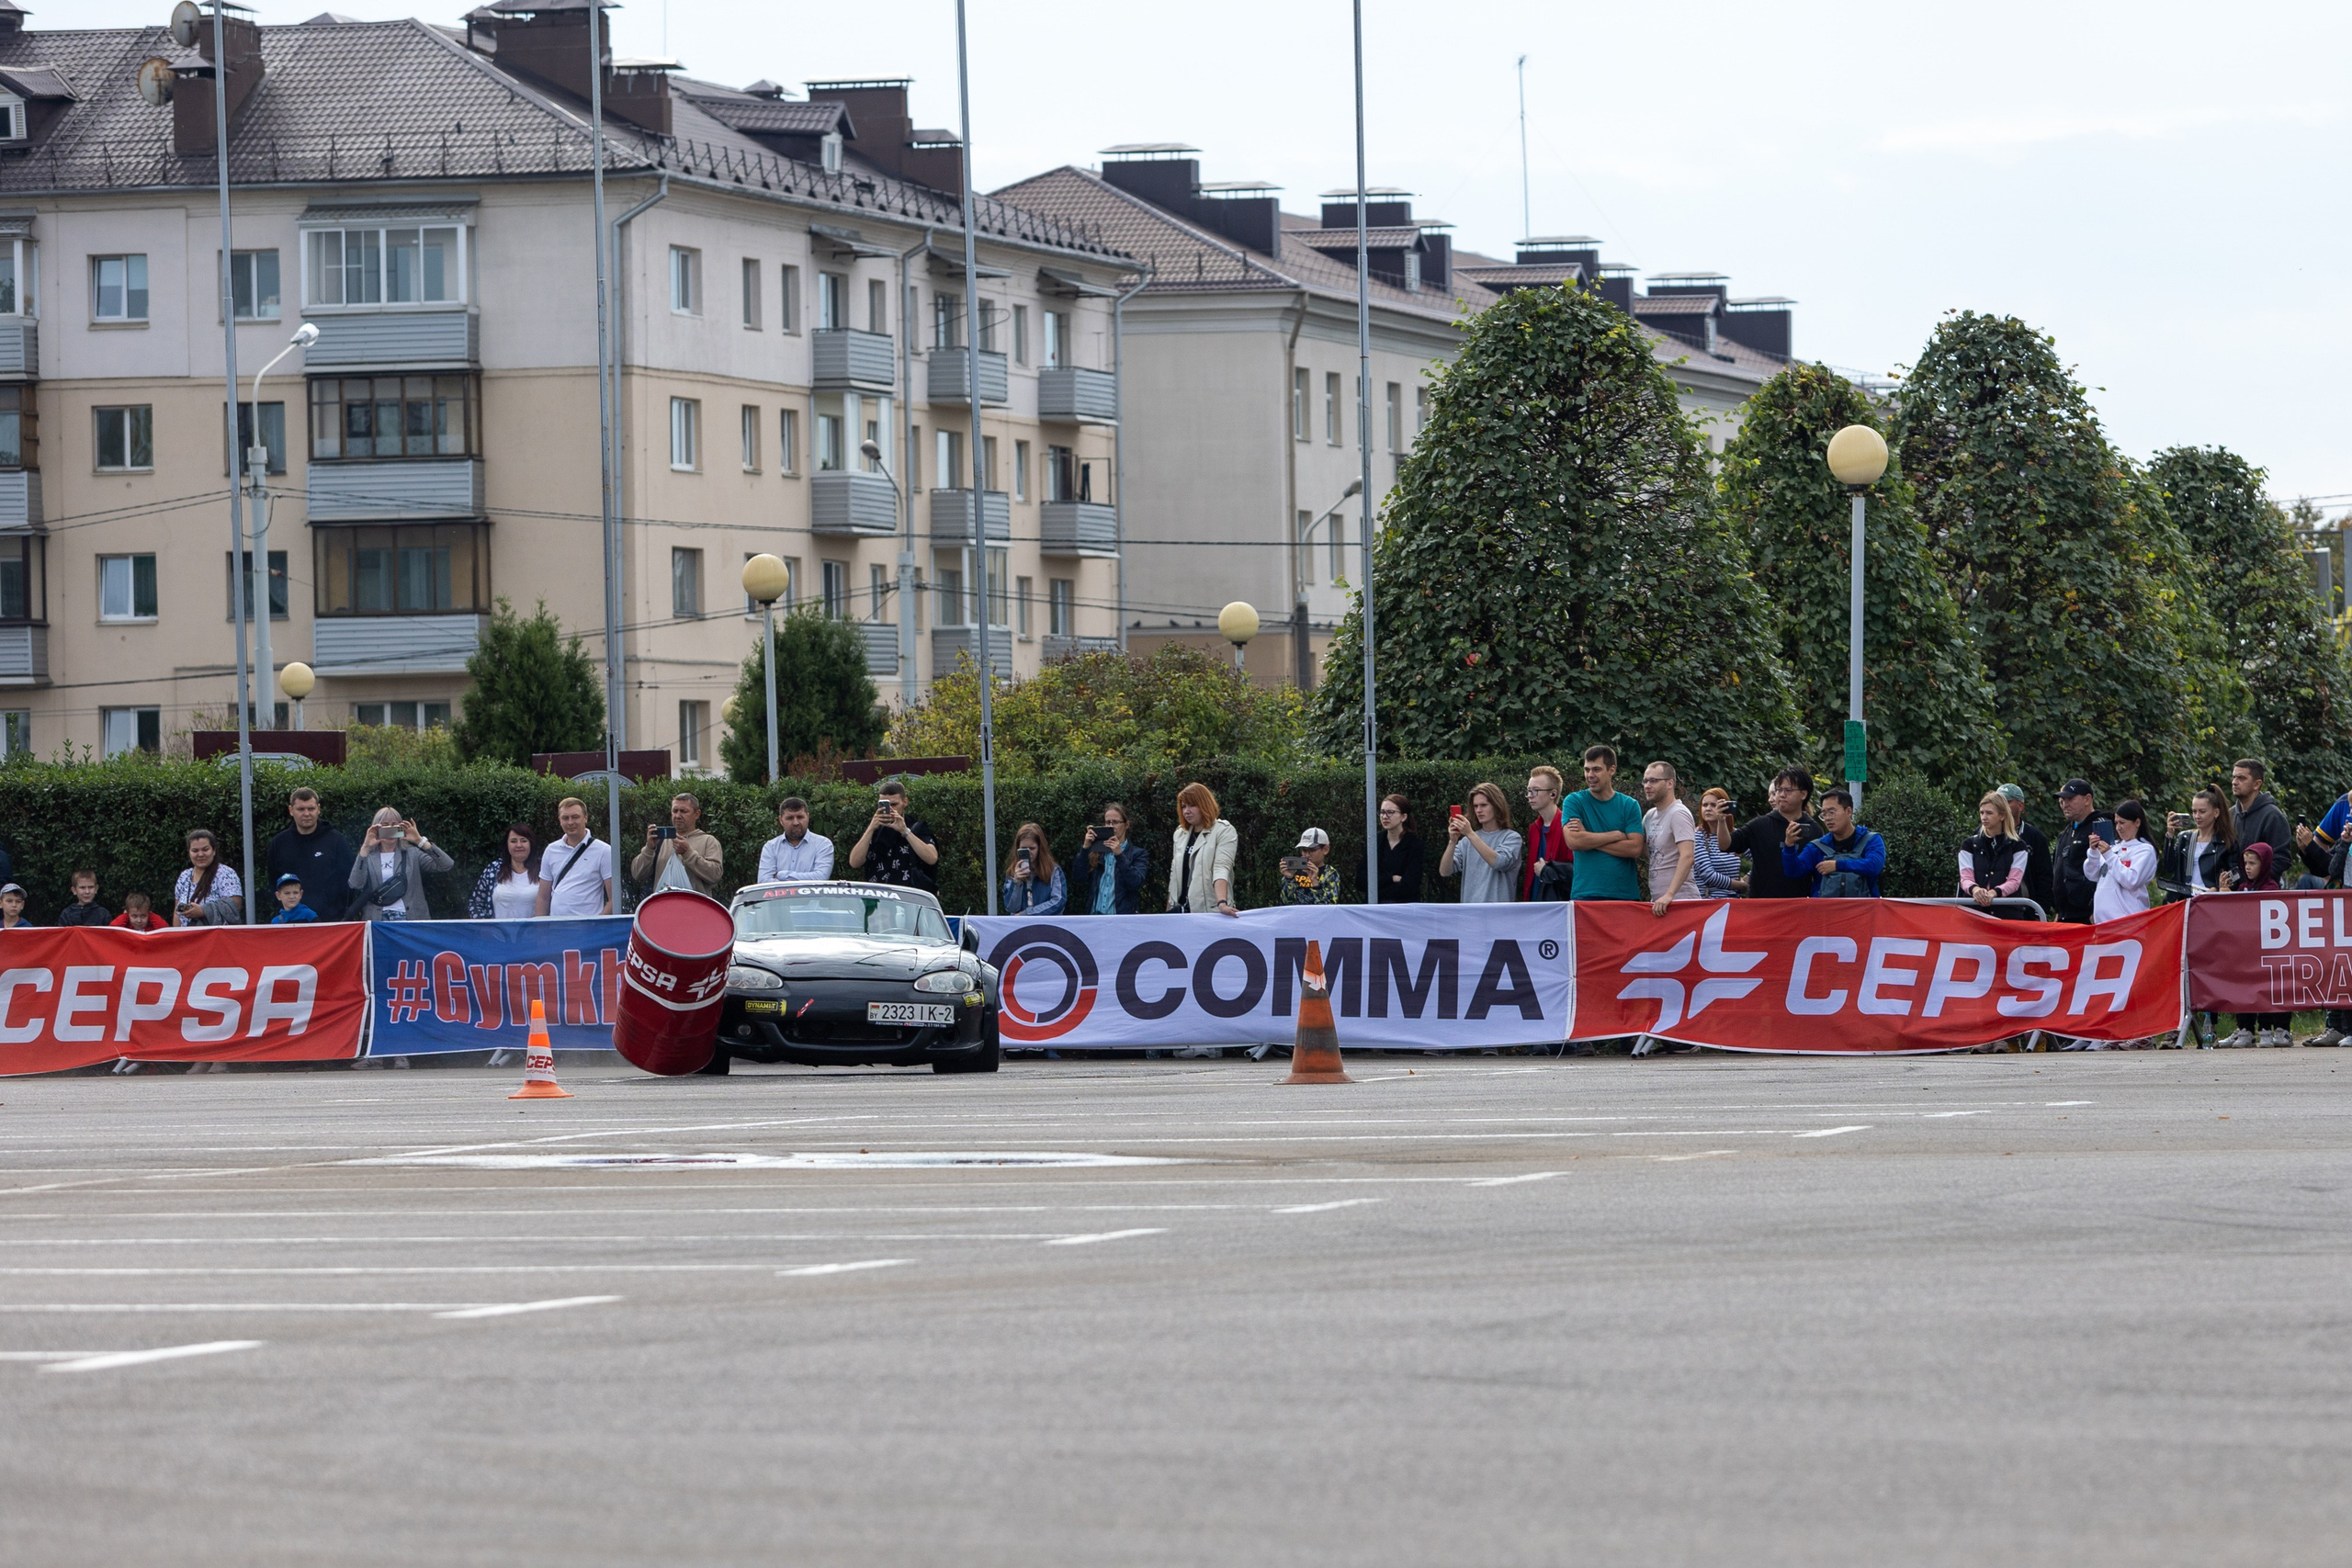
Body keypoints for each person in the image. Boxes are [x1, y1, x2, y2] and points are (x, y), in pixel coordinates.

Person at [2217, 842, 2292, 1047]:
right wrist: (2225, 892)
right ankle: (2245, 1029)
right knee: (2243, 987)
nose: (2247, 867)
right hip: (2245, 951)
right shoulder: (2242, 887)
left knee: (2266, 988)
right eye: (2245, 863)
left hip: (2267, 950)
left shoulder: (2271, 887)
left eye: (2253, 863)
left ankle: (2266, 1029)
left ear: (2265, 863)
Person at [1716, 767, 1824, 900]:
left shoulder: (1814, 830)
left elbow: (1820, 873)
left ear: (1803, 794)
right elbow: (1726, 846)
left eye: (1788, 790)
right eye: (1779, 790)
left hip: (1799, 906)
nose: (1782, 795)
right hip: (1762, 906)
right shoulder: (1760, 825)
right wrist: (1721, 822)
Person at [1562, 745, 1645, 901]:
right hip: (1585, 894)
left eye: (1596, 769)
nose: (1590, 775)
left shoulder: (1629, 805)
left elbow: (1635, 848)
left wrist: (1588, 838)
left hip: (1624, 895)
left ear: (1611, 770)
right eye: (1587, 770)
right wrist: (1616, 835)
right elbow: (1574, 841)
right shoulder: (1574, 801)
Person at [348, 807, 454, 921]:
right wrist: (365, 848)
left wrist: (420, 841)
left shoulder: (412, 853)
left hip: (410, 918)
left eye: (395, 825)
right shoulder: (368, 856)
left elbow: (446, 864)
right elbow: (355, 884)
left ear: (401, 828)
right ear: (376, 829)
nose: (390, 829)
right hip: (378, 921)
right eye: (385, 825)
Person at [266, 786, 356, 922]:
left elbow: (349, 880)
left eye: (311, 808)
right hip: (291, 924)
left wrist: (342, 914)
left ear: (318, 809)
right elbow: (274, 882)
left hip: (331, 922)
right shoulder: (280, 843)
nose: (307, 813)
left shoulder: (336, 840)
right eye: (301, 809)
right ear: (291, 810)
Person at [1782, 787, 1885, 897]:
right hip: (1825, 912)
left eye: (1832, 812)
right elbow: (1793, 872)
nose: (1827, 818)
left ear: (1849, 811)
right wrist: (1789, 846)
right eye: (1824, 814)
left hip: (1863, 911)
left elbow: (1874, 866)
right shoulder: (1817, 847)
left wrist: (1837, 865)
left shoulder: (1871, 840)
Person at [847, 779, 939, 892]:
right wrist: (871, 829)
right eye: (884, 805)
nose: (890, 809)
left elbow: (932, 858)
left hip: (908, 895)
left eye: (894, 804)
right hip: (879, 895)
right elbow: (854, 862)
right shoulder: (874, 828)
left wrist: (905, 831)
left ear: (905, 802)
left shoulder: (917, 827)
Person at [1439, 783, 1522, 904]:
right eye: (1475, 806)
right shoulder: (1466, 841)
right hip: (1471, 914)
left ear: (1496, 806)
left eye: (1484, 805)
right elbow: (1444, 871)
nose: (1478, 810)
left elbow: (1499, 862)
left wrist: (1470, 834)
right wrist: (1452, 841)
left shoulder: (1512, 838)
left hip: (1499, 915)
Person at [1167, 781, 1240, 917]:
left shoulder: (1224, 831)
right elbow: (1174, 874)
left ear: (1205, 805)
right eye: (1183, 806)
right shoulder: (1180, 833)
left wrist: (1222, 903)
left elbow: (1221, 868)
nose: (1186, 811)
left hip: (1210, 912)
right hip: (1180, 912)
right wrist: (1169, 909)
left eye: (1192, 805)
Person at [631, 793, 723, 897]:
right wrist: (649, 849)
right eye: (675, 811)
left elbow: (715, 875)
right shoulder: (661, 842)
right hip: (664, 907)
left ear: (697, 814)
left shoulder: (708, 841)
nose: (678, 816)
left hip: (695, 908)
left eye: (684, 811)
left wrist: (688, 853)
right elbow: (637, 874)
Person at [538, 796, 616, 918]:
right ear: (559, 820)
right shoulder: (551, 850)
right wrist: (540, 929)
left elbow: (614, 898)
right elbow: (543, 897)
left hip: (589, 931)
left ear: (586, 818)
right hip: (556, 928)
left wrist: (596, 925)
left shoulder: (604, 851)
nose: (570, 822)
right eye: (565, 818)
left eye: (575, 817)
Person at [1639, 761, 1699, 917]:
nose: (1647, 785)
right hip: (1659, 903)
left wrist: (1669, 894)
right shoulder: (1650, 816)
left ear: (1670, 783)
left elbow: (1687, 856)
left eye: (1653, 781)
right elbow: (1649, 850)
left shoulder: (1678, 813)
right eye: (1645, 781)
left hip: (1681, 901)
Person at [2051, 780, 2115, 924]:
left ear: (2087, 799)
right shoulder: (2065, 833)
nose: (2065, 804)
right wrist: (2059, 912)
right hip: (2065, 916)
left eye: (2070, 799)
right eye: (2062, 801)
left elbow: (2110, 869)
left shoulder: (2101, 826)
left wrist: (2096, 909)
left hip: (2089, 916)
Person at [2084, 801, 2158, 922]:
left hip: (2128, 921)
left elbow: (2131, 880)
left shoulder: (2145, 850)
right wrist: (2093, 852)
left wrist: (2109, 855)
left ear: (2137, 822)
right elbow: (2092, 875)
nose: (2118, 827)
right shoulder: (2114, 847)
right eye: (2116, 823)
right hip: (2103, 921)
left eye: (2122, 823)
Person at [2159, 786, 2236, 898]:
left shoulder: (2227, 842)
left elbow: (2236, 874)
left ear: (2216, 812)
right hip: (2186, 901)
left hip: (2212, 901)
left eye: (2202, 811)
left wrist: (2217, 888)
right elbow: (2168, 867)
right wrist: (2170, 836)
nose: (2197, 816)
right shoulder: (2185, 838)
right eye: (2194, 811)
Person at [1071, 803, 1149, 914]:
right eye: (1108, 822)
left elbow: (1135, 882)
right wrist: (1085, 848)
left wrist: (1119, 855)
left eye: (1116, 822)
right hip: (1095, 916)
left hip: (1121, 919)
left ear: (1126, 824)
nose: (1111, 826)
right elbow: (1078, 878)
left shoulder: (1138, 854)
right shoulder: (1098, 851)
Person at [1959, 792, 2028, 909]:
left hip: (2006, 912)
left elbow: (2014, 881)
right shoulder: (1969, 844)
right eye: (1981, 813)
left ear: (2002, 816)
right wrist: (1976, 890)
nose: (1984, 817)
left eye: (1989, 813)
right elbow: (1965, 878)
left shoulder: (2018, 846)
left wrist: (1994, 893)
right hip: (1973, 912)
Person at [1994, 784, 2055, 912]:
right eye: (1998, 801)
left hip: (2024, 910)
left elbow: (2045, 878)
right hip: (1989, 909)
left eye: (2007, 801)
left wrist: (2040, 912)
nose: (2001, 806)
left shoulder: (2035, 837)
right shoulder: (1983, 834)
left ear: (2020, 806)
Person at [2229, 759, 2295, 875]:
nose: (2235, 782)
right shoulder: (2230, 815)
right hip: (2231, 891)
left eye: (2241, 778)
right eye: (2234, 777)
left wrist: (2256, 882)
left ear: (2257, 784)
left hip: (2261, 891)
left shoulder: (2273, 817)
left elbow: (2282, 860)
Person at [469, 823, 544, 919]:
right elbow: (475, 904)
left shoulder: (543, 870)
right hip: (498, 934)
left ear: (531, 844)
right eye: (513, 841)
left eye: (524, 841)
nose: (519, 845)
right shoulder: (493, 869)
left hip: (532, 934)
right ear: (507, 844)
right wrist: (485, 929)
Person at [1521, 766, 1573, 902]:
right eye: (1529, 791)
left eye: (1536, 791)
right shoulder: (1534, 828)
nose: (1530, 796)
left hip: (1557, 904)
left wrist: (1547, 871)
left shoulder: (1568, 826)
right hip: (1534, 902)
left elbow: (1576, 871)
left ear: (1553, 794)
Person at [173, 829, 243, 926]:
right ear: (189, 852)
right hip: (187, 938)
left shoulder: (226, 874)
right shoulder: (184, 876)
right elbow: (177, 913)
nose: (200, 854)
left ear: (214, 851)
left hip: (216, 937)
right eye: (195, 850)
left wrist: (203, 911)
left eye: (205, 849)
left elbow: (235, 906)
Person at [757, 796, 835, 884]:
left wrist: (781, 875)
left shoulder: (823, 844)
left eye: (800, 817)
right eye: (790, 818)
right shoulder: (771, 847)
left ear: (808, 817)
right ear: (781, 820)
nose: (796, 823)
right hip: (780, 898)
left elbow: (820, 878)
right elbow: (763, 882)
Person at [1001, 823, 1067, 915]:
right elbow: (1010, 907)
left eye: (1032, 848)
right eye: (1023, 848)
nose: (1029, 853)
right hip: (1020, 926)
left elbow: (1058, 902)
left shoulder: (1054, 871)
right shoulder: (1013, 871)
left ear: (1040, 848)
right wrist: (1016, 883)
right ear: (1018, 848)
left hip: (1047, 925)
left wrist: (1028, 914)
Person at [1692, 790, 1746, 898]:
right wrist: (1740, 886)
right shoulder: (1697, 836)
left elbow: (1759, 856)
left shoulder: (1734, 834)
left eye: (1713, 805)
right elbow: (1708, 874)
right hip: (1709, 903)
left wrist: (1749, 878)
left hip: (1734, 902)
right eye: (1704, 805)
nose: (1708, 809)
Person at [1374, 795, 1423, 903]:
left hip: (1404, 909)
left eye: (1390, 812)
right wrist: (1391, 878)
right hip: (1376, 908)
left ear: (1403, 817)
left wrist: (1379, 884)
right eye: (1382, 812)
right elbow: (1361, 881)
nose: (1384, 816)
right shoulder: (1375, 842)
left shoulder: (1415, 844)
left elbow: (1410, 885)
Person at [1278, 827, 1342, 906]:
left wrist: (1315, 882)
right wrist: (1289, 879)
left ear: (1325, 849)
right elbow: (1285, 903)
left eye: (1312, 850)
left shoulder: (1330, 873)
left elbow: (1329, 907)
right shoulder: (1294, 871)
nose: (1307, 855)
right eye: (1304, 850)